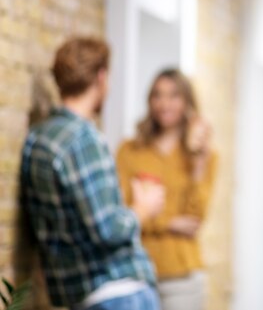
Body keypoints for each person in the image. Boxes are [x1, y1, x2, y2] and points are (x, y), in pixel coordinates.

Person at [20, 37, 165, 310]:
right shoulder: (84, 139)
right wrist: (142, 209)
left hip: (78, 294)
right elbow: (108, 229)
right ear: (101, 77)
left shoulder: (37, 138)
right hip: (118, 292)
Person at [116, 69, 216, 310]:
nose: (165, 104)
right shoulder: (130, 151)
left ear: (187, 103)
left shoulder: (203, 157)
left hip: (182, 277)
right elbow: (122, 212)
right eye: (158, 96)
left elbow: (195, 218)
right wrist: (169, 223)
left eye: (174, 96)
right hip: (137, 272)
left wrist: (198, 165)